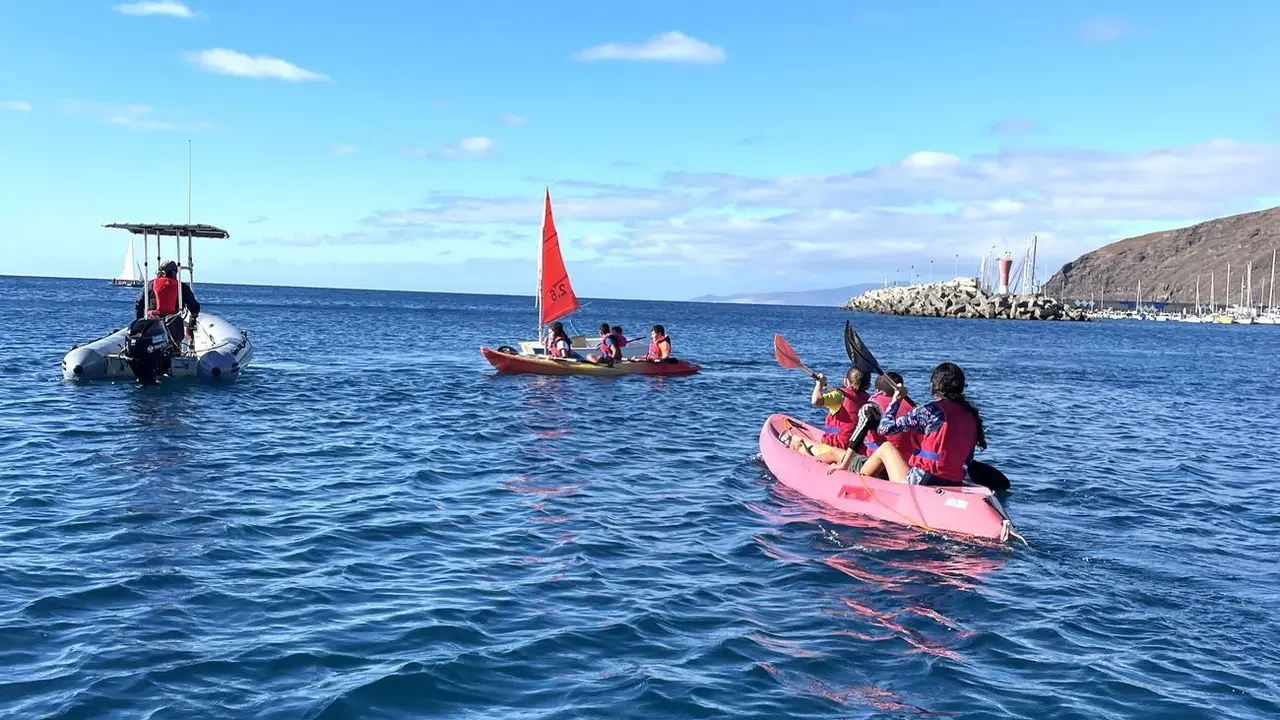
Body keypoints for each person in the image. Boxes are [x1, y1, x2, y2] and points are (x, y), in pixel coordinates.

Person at [828, 362, 986, 486]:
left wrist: (896, 401)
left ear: (935, 385)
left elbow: (885, 428)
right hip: (954, 481)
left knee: (885, 448)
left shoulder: (929, 411)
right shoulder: (972, 415)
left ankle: (858, 484)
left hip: (924, 479)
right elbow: (968, 458)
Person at [780, 367, 871, 464]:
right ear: (868, 386)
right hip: (854, 450)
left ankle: (805, 454)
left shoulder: (840, 395)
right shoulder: (869, 400)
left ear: (845, 381)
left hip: (834, 448)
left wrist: (819, 384)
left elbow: (815, 401)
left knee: (795, 439)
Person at [844, 371, 918, 475]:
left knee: (834, 453)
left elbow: (858, 437)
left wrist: (844, 464)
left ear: (877, 391)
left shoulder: (871, 408)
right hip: (904, 465)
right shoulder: (914, 410)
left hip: (877, 466)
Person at [134, 260, 199, 346]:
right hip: (173, 325)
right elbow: (194, 306)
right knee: (174, 345)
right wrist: (192, 321)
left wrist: (140, 322)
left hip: (152, 324)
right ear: (174, 273)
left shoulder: (150, 285)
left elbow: (139, 303)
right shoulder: (182, 287)